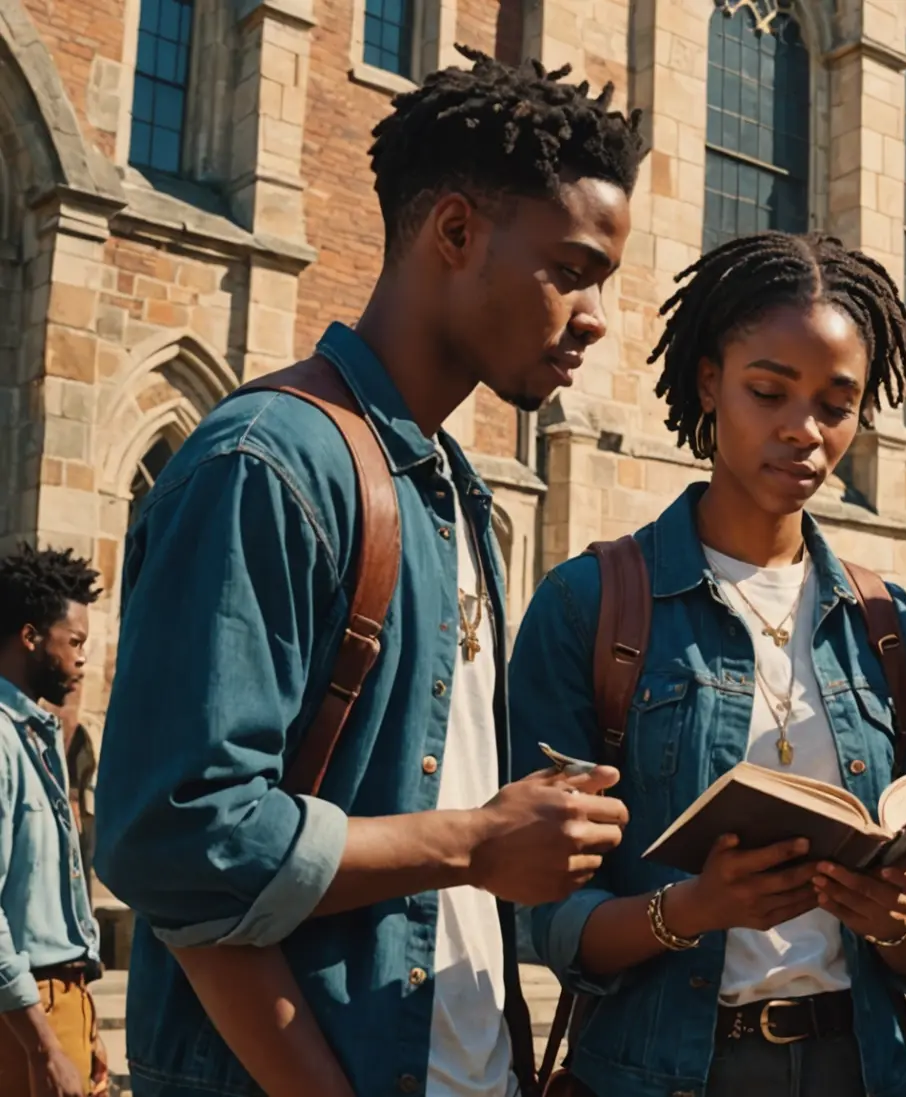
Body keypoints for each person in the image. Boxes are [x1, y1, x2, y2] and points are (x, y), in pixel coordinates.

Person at [93, 50, 641, 1097]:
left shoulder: (456, 490)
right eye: (572, 270)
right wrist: (474, 841)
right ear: (455, 233)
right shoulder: (267, 463)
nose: (596, 316)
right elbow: (175, 834)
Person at [507, 230, 906, 1097]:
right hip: (658, 1073)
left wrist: (903, 922)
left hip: (862, 1067)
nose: (803, 431)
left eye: (837, 404)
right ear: (709, 382)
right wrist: (691, 908)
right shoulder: (589, 605)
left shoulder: (892, 629)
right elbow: (544, 912)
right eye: (768, 391)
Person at [0, 546, 106, 1097]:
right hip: (24, 1015)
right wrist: (43, 1047)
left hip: (62, 1004)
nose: (83, 659)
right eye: (76, 642)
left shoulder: (36, 736)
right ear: (30, 637)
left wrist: (84, 1025)